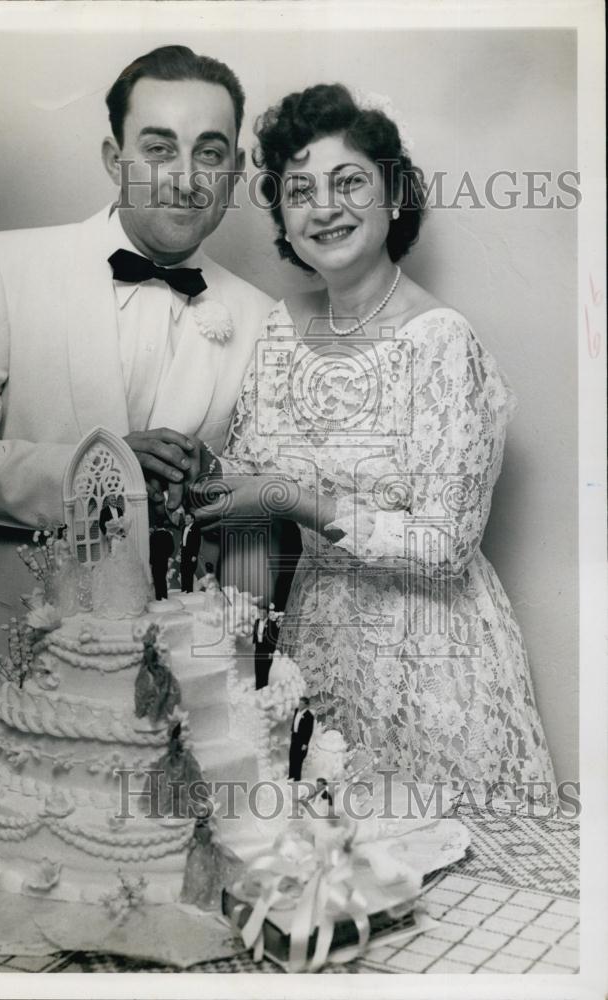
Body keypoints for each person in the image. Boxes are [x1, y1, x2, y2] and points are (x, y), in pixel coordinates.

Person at [0, 45, 273, 752]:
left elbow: (248, 524)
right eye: (159, 148)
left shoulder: (259, 318)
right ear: (114, 157)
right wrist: (98, 469)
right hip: (10, 663)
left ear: (236, 172)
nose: (185, 179)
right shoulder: (2, 265)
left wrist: (211, 486)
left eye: (210, 153)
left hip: (179, 697)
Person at [194, 83, 557, 800]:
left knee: (448, 885)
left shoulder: (442, 342)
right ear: (284, 219)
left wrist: (289, 496)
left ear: (394, 198)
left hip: (434, 657)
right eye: (300, 190)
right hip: (316, 640)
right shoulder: (274, 332)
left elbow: (445, 545)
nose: (324, 206)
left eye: (348, 181)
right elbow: (242, 490)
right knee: (325, 871)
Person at [252, 603, 280, 689]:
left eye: (263, 613)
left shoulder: (271, 624)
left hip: (267, 650)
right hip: (258, 648)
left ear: (267, 614)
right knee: (257, 667)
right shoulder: (256, 622)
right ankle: (258, 686)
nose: (261, 614)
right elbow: (255, 634)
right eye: (260, 612)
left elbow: (274, 639)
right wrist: (254, 644)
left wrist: (271, 652)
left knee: (265, 669)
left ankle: (264, 687)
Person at [149, 512, 175, 601]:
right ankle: (164, 596)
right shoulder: (168, 534)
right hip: (164, 559)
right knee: (163, 578)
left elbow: (151, 549)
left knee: (157, 578)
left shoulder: (153, 535)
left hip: (155, 560)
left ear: (156, 526)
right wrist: (167, 555)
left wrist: (151, 560)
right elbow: (172, 548)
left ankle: (158, 597)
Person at [288, 696, 314, 781]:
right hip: (294, 736)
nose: (299, 705)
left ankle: (297, 778)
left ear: (306, 705)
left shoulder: (309, 716)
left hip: (302, 739)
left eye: (301, 703)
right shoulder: (296, 711)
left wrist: (305, 743)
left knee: (298, 758)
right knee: (292, 756)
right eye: (299, 703)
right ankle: (291, 775)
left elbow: (309, 731)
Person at [179, 512, 201, 593]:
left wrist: (195, 555)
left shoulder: (196, 528)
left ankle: (189, 590)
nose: (186, 520)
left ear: (192, 519)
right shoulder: (184, 527)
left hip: (191, 552)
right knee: (183, 570)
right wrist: (180, 551)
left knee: (189, 571)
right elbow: (182, 541)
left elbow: (197, 542)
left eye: (188, 518)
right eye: (185, 518)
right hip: (184, 551)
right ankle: (183, 589)